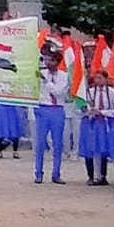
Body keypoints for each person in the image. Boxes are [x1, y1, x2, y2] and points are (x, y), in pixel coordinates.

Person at [33, 51, 69, 184]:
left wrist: (46, 81)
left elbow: (58, 92)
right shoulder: (40, 73)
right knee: (40, 143)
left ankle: (56, 173)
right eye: (47, 60)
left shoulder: (64, 76)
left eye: (52, 61)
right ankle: (38, 172)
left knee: (57, 143)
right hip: (43, 107)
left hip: (57, 109)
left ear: (58, 62)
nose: (48, 63)